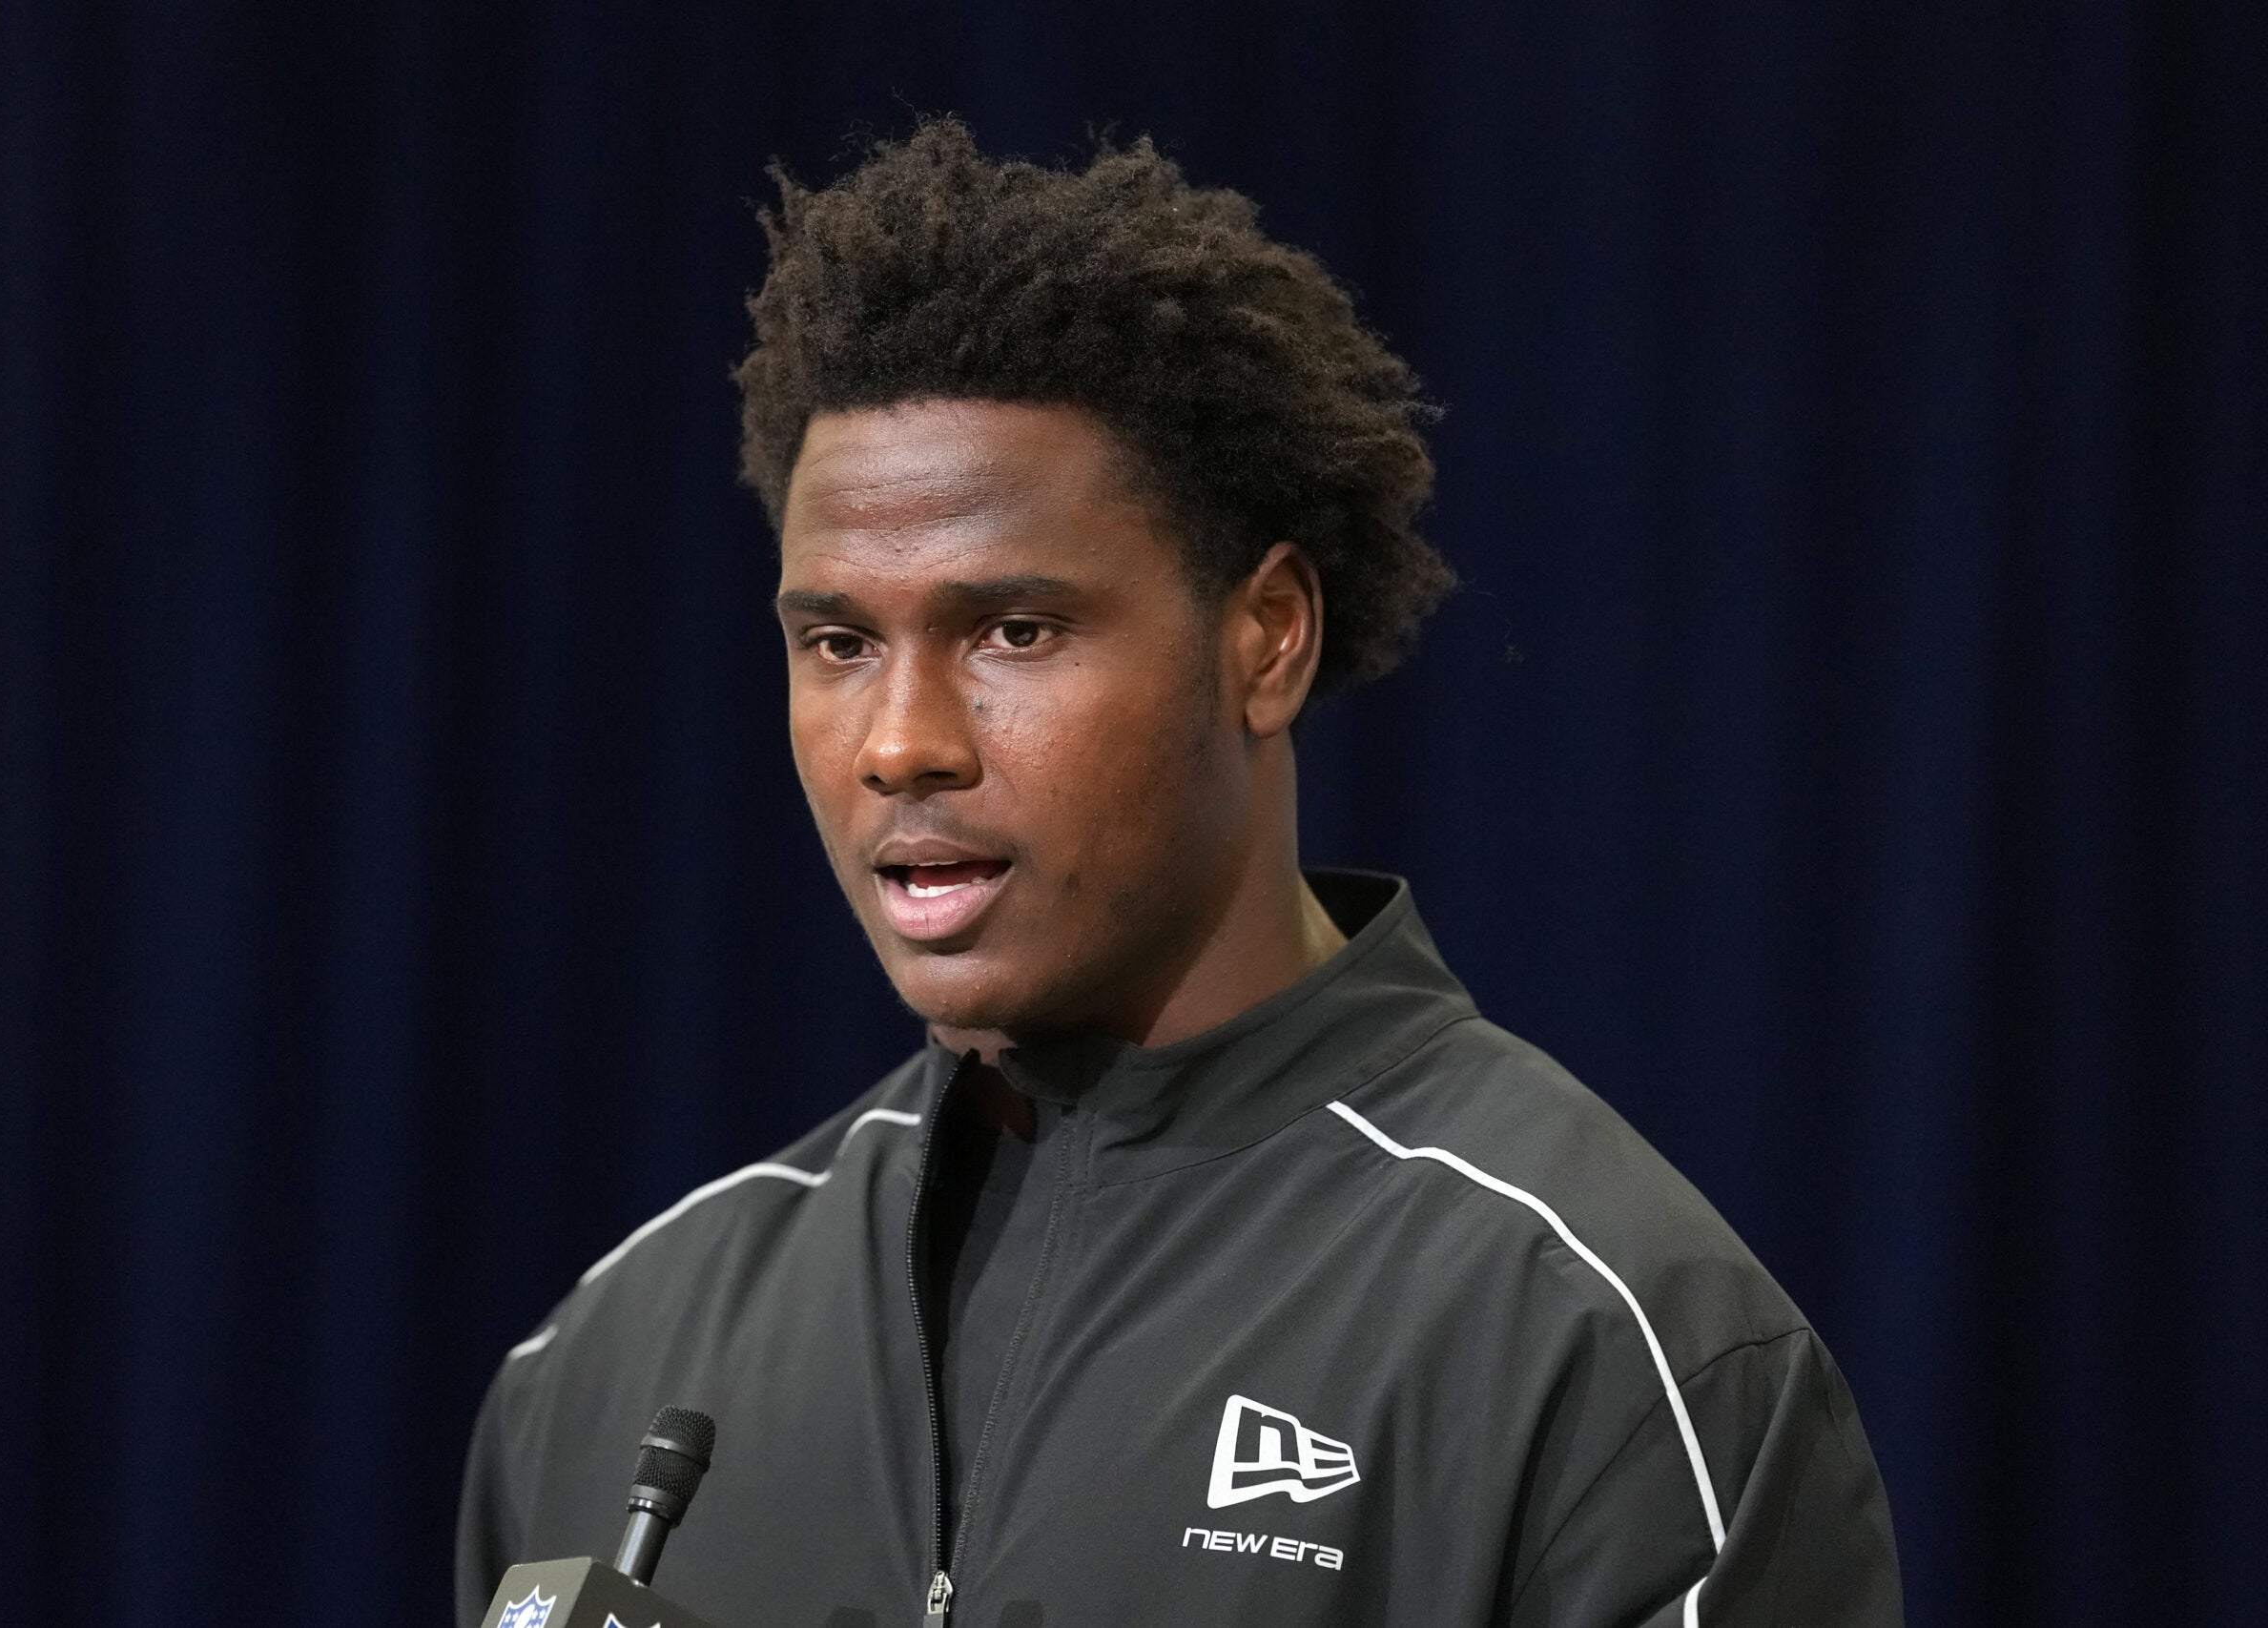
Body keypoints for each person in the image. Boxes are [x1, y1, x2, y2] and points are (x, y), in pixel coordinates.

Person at [455, 119, 1903, 1628]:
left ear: (1265, 637)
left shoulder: (1604, 1342)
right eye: (838, 643)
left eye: (1014, 632)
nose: (899, 745)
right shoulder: (608, 1361)